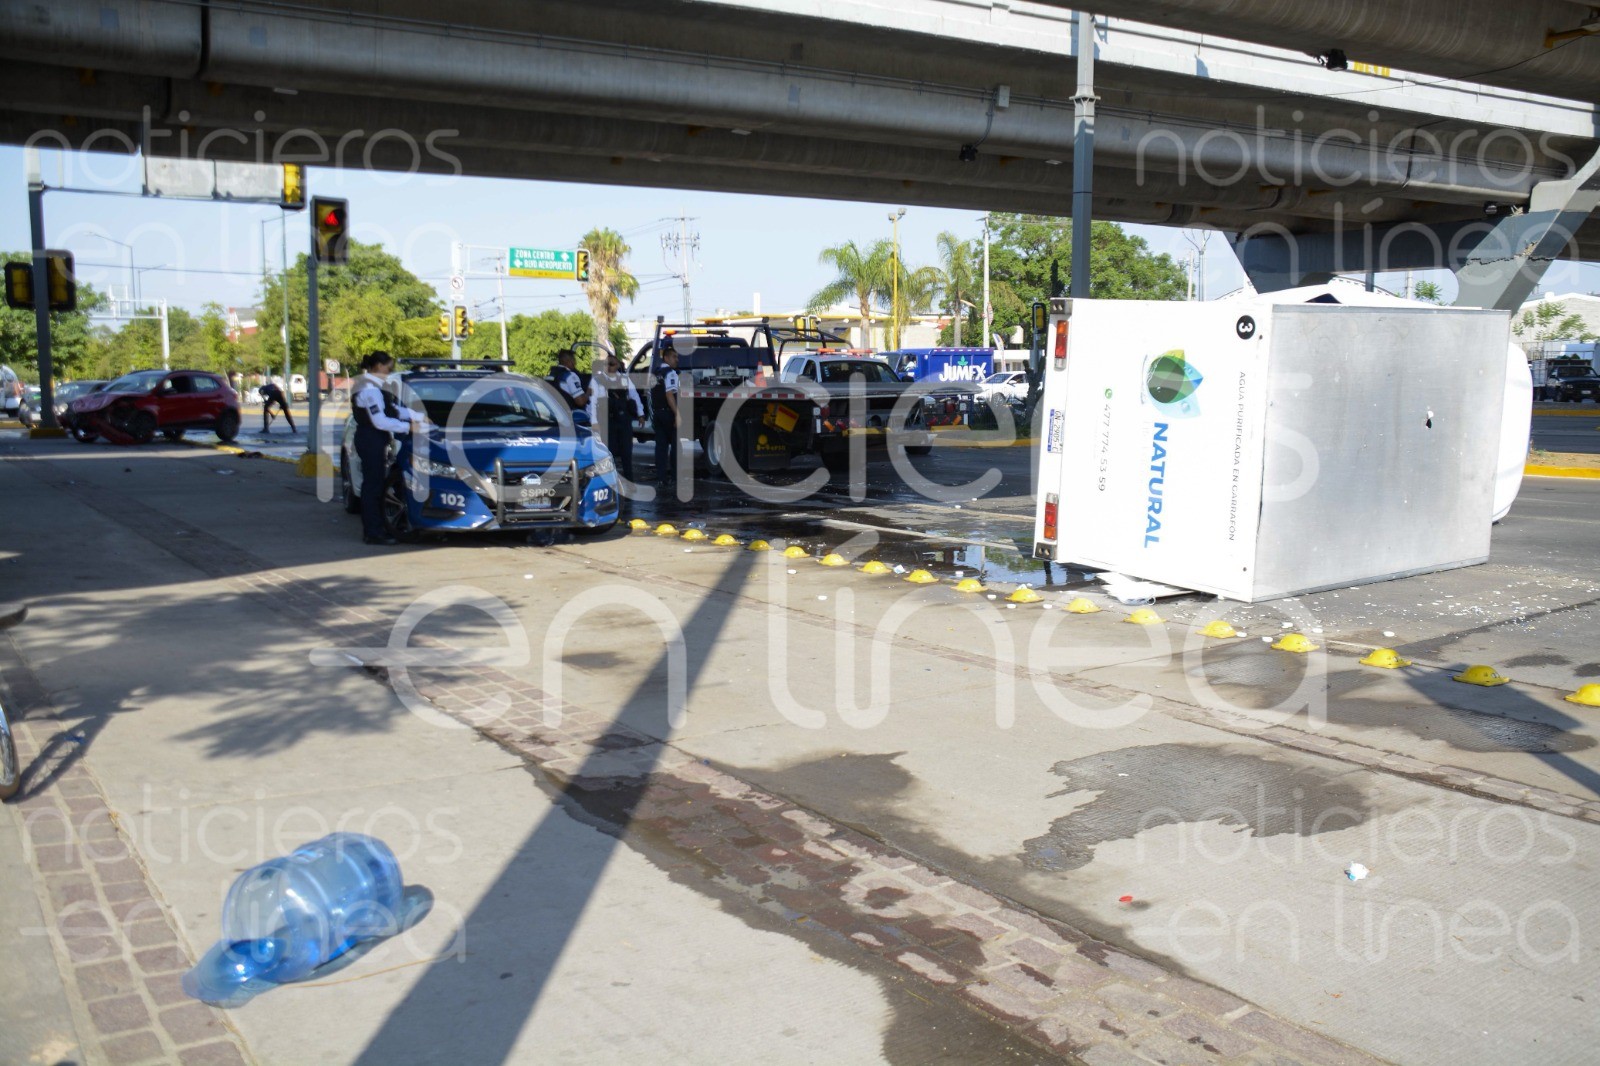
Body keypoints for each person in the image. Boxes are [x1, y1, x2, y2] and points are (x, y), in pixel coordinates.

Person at [351, 351, 428, 546]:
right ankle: (373, 532)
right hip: (371, 439)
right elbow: (380, 420)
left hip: (372, 439)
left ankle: (376, 528)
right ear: (378, 365)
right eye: (389, 367)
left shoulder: (373, 386)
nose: (390, 370)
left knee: (376, 485)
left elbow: (393, 410)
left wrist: (418, 416)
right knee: (373, 487)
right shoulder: (370, 389)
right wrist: (409, 427)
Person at [588, 354, 643, 484]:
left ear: (618, 365)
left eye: (611, 364)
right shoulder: (597, 380)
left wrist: (640, 414)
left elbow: (634, 396)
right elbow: (592, 402)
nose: (608, 367)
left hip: (624, 420)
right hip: (607, 421)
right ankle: (609, 482)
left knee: (626, 453)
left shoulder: (625, 379)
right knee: (608, 453)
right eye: (606, 364)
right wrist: (594, 422)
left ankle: (629, 482)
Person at [651, 347, 681, 485]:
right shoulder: (671, 373)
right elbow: (669, 395)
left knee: (661, 448)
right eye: (674, 357)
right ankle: (675, 477)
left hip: (657, 413)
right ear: (666, 358)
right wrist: (677, 414)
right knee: (675, 446)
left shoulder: (656, 373)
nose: (677, 360)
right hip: (668, 413)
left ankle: (661, 478)